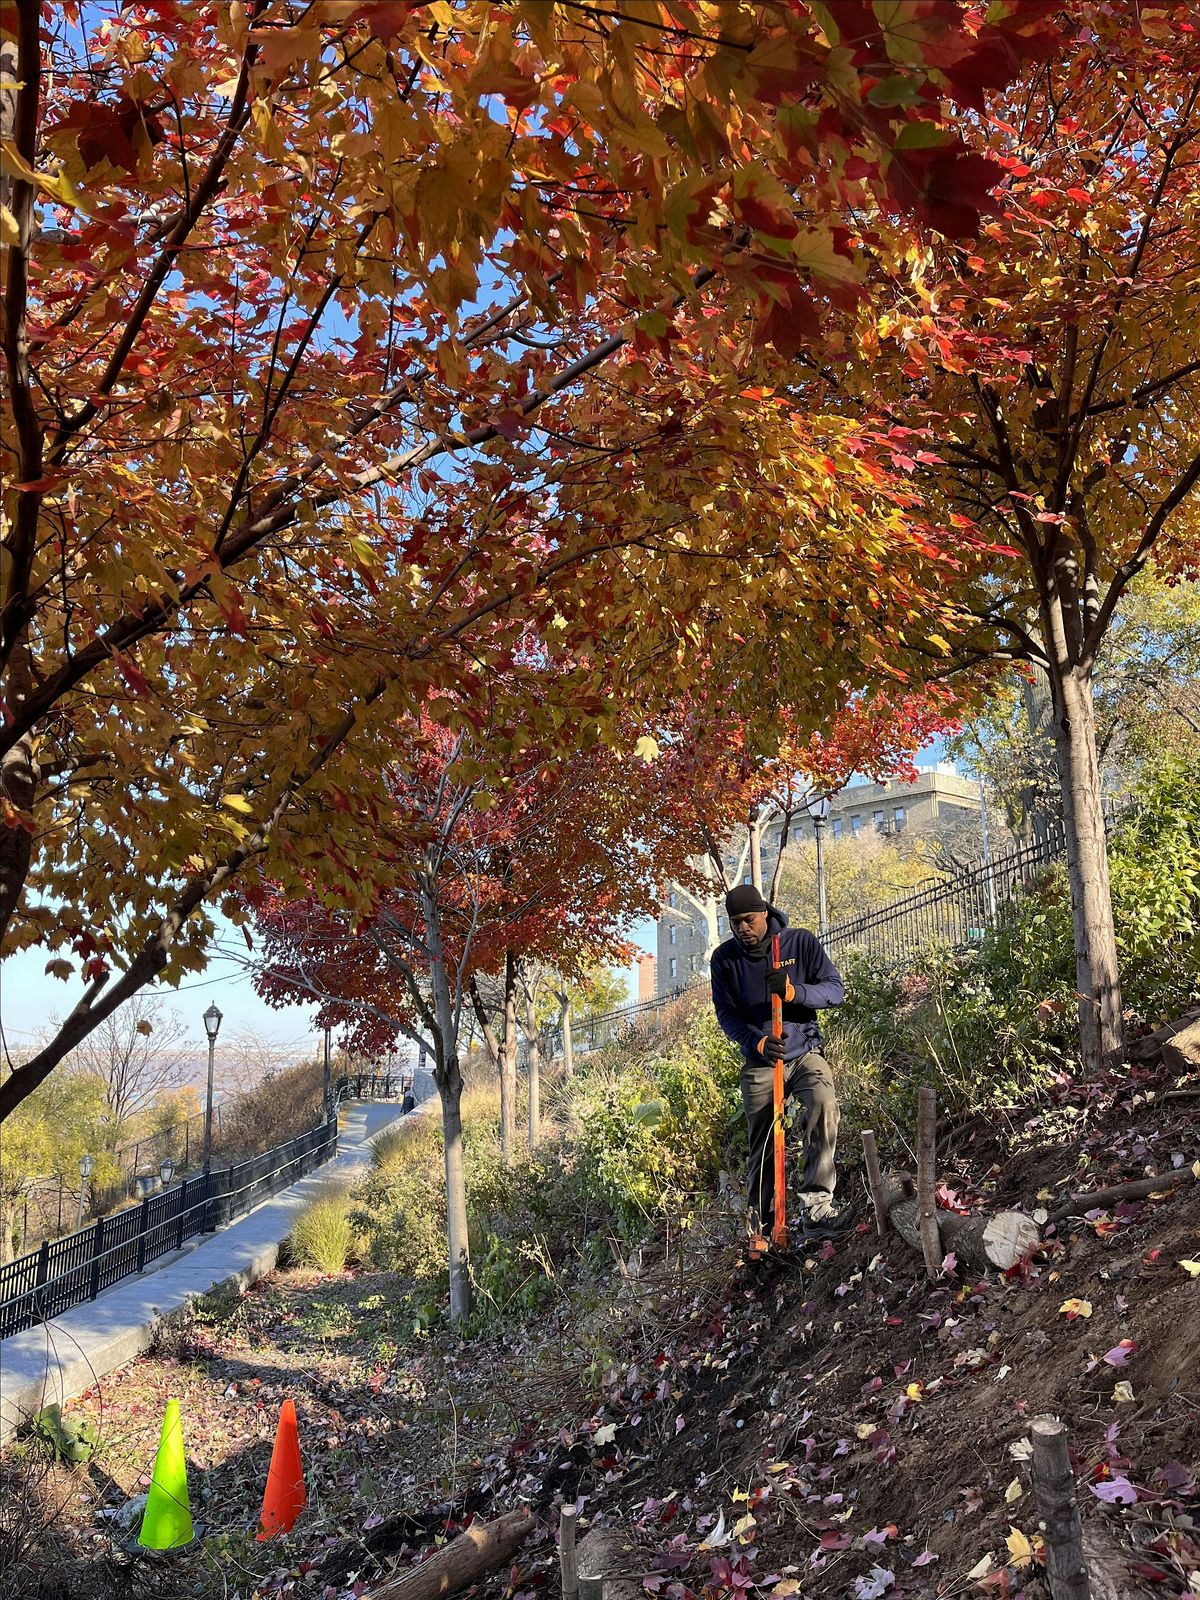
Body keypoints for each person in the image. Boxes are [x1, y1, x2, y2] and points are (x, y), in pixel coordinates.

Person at [710, 883, 848, 1251]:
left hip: (803, 1053)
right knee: (763, 1140)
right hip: (761, 1061)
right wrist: (756, 1041)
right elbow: (726, 1013)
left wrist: (793, 993)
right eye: (736, 922)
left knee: (822, 1102)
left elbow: (834, 990)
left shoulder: (799, 943)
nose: (743, 928)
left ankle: (817, 1208)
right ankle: (762, 1227)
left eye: (749, 920)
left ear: (764, 913)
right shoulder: (724, 959)